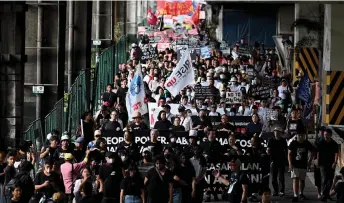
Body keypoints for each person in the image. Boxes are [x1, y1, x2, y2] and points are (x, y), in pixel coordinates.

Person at [288, 131, 315, 202]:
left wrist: (309, 161)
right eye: (299, 135)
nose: (301, 137)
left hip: (303, 164)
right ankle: (295, 195)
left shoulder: (306, 143)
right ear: (297, 135)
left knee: (302, 180)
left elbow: (313, 151)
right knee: (295, 179)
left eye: (302, 135)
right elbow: (289, 153)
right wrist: (290, 163)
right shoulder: (293, 143)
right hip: (295, 164)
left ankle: (301, 193)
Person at [317, 129, 339, 202]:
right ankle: (324, 195)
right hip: (322, 164)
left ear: (330, 135)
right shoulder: (321, 143)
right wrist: (317, 161)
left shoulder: (334, 144)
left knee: (330, 180)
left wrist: (335, 162)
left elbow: (336, 154)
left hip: (331, 163)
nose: (325, 136)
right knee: (324, 179)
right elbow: (318, 153)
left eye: (327, 135)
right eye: (324, 135)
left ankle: (326, 195)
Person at [267, 126, 288, 196]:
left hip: (281, 160)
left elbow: (286, 151)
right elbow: (268, 150)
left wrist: (286, 162)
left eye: (278, 131)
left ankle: (282, 191)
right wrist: (269, 158)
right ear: (274, 132)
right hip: (273, 161)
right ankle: (275, 190)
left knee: (281, 177)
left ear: (280, 132)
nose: (276, 133)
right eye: (275, 131)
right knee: (273, 178)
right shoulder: (271, 140)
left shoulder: (283, 140)